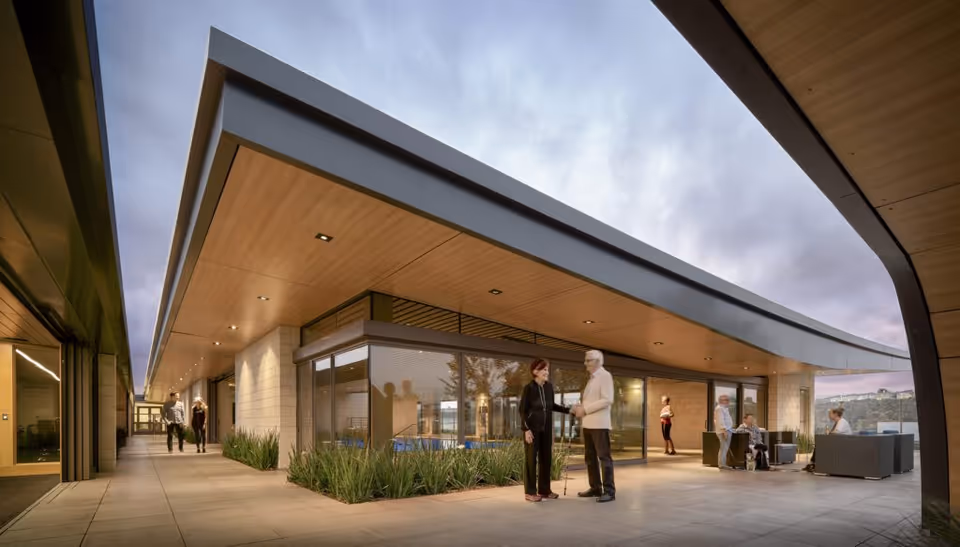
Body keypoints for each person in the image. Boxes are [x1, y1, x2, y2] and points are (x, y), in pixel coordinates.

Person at [519, 358, 571, 502]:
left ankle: (544, 490)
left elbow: (551, 405)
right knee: (531, 460)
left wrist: (569, 410)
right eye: (544, 369)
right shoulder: (528, 389)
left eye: (547, 369)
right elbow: (522, 410)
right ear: (535, 371)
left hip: (547, 429)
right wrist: (526, 429)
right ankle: (530, 492)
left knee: (546, 459)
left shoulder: (548, 387)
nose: (547, 372)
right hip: (532, 430)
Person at [574, 349, 616, 503]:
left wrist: (585, 409)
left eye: (588, 360)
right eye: (585, 360)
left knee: (604, 458)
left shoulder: (605, 376)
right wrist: (580, 407)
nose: (585, 363)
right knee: (590, 458)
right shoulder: (591, 379)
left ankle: (609, 491)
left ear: (598, 362)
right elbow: (592, 401)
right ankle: (595, 488)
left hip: (600, 425)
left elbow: (607, 399)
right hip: (588, 425)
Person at [804, 407, 852, 472]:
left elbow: (836, 432)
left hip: (844, 444)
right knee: (819, 445)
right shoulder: (838, 422)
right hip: (840, 442)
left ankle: (813, 463)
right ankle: (813, 464)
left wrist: (829, 432)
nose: (829, 415)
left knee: (820, 446)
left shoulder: (842, 422)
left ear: (835, 414)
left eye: (830, 413)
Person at [714, 394, 734, 470]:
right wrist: (724, 430)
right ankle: (722, 464)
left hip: (727, 430)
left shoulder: (724, 408)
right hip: (724, 431)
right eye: (725, 400)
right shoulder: (720, 409)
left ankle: (723, 463)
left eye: (728, 400)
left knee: (724, 448)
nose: (727, 401)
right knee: (723, 448)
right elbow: (720, 420)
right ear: (721, 401)